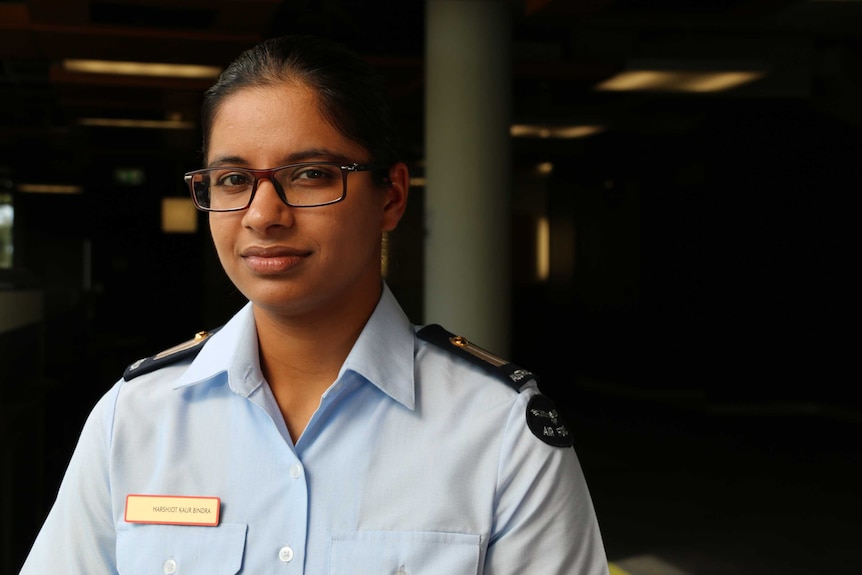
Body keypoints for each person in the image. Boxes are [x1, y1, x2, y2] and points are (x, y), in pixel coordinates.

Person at [20, 34, 609, 574]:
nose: (262, 214)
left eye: (309, 174)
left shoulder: (498, 432)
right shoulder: (136, 418)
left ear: (392, 197)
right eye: (231, 180)